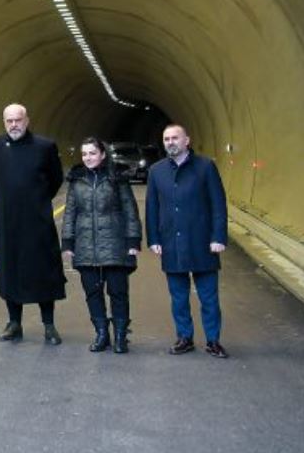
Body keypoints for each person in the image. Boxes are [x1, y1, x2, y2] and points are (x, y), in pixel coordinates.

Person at [0, 103, 66, 344]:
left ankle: (49, 325)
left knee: (43, 271)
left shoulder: (44, 146)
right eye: (9, 121)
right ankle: (14, 323)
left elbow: (55, 179)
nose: (14, 125)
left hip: (37, 222)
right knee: (10, 271)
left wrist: (36, 201)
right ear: (4, 122)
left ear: (27, 120)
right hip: (6, 222)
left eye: (18, 120)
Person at [146, 124, 230, 358]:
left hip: (203, 242)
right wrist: (153, 238)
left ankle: (213, 340)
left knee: (209, 297)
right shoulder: (156, 171)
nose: (170, 142)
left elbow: (218, 204)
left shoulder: (205, 167)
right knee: (179, 297)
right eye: (166, 139)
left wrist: (218, 236)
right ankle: (185, 338)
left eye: (175, 138)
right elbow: (152, 207)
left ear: (187, 141)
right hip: (171, 242)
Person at [61, 137, 141, 354]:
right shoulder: (76, 180)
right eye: (84, 154)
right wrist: (68, 242)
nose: (88, 158)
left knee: (118, 292)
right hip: (85, 244)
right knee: (92, 293)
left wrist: (133, 241)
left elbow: (130, 210)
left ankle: (121, 337)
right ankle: (102, 334)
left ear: (102, 154)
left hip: (115, 244)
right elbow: (70, 213)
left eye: (92, 153)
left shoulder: (117, 178)